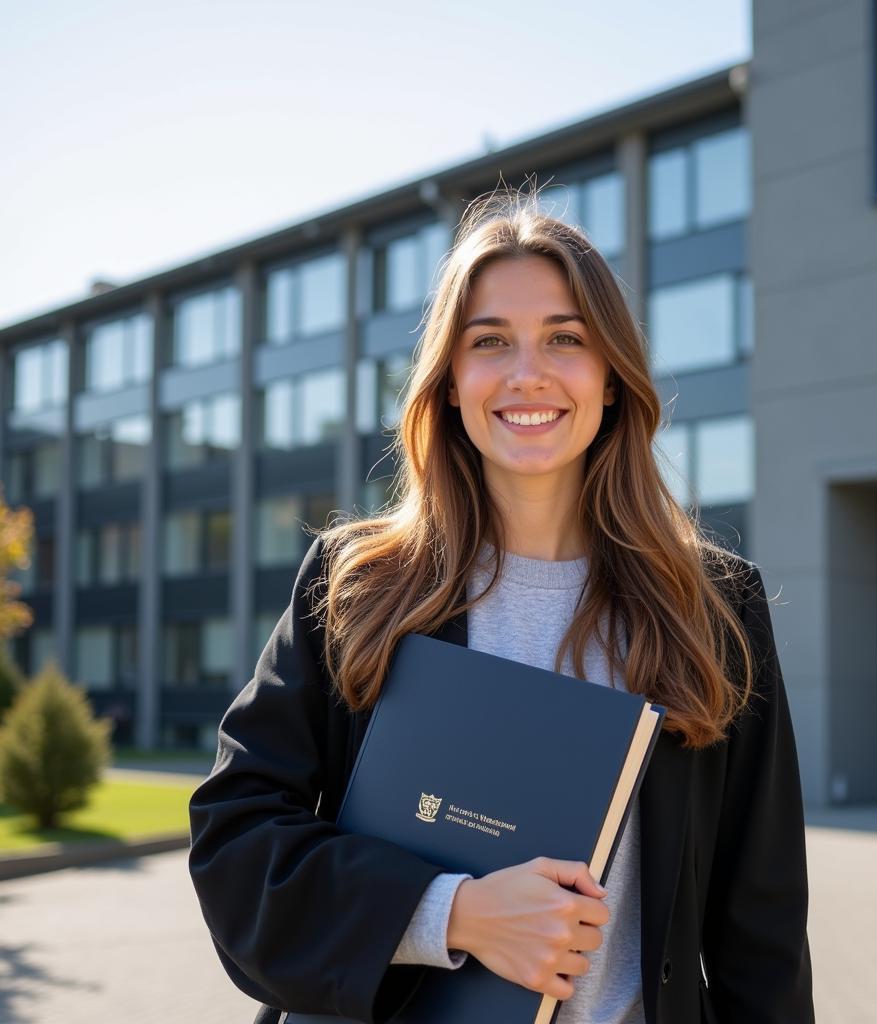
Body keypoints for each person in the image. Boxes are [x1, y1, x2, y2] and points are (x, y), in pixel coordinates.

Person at [188, 186, 815, 1024]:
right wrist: (451, 914)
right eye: (491, 342)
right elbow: (237, 842)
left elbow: (761, 930)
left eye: (565, 338)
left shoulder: (715, 608)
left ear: (612, 377)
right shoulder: (355, 587)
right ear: (449, 382)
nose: (529, 374)